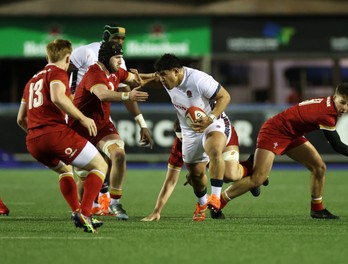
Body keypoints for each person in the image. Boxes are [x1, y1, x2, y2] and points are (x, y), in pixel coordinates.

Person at [214, 83, 348, 219]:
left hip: (292, 134)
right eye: (342, 102)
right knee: (257, 179)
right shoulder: (327, 114)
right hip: (275, 131)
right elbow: (336, 145)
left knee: (319, 167)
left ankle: (317, 208)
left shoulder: (329, 104)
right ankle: (218, 203)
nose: (345, 108)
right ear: (334, 97)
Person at [16, 39, 108, 233]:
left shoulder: (31, 81)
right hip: (55, 134)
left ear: (47, 56)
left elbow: (21, 119)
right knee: (100, 166)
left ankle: (76, 211)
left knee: (65, 170)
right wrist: (82, 118)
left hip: (33, 141)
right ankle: (85, 213)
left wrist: (38, 135)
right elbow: (58, 97)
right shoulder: (58, 73)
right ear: (67, 58)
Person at [152, 53, 254, 221]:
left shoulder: (198, 79)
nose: (160, 78)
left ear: (176, 71)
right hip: (191, 130)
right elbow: (170, 180)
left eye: (163, 74)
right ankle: (202, 204)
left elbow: (225, 96)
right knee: (196, 175)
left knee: (226, 169)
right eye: (159, 75)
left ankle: (216, 196)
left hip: (213, 121)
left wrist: (210, 118)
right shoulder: (167, 82)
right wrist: (157, 210)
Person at [69, 24, 154, 216]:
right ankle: (81, 211)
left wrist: (153, 76)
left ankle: (114, 202)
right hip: (80, 125)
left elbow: (134, 80)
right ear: (107, 58)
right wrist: (127, 96)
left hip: (102, 124)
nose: (121, 61)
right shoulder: (93, 72)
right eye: (118, 58)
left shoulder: (117, 70)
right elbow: (103, 95)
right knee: (85, 176)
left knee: (119, 154)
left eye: (121, 57)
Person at [141, 119, 257, 222]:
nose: (184, 141)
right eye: (181, 139)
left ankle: (250, 167)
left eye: (186, 138)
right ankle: (205, 204)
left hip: (222, 137)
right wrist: (157, 210)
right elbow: (171, 180)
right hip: (207, 151)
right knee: (193, 176)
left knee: (230, 175)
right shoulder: (179, 145)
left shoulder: (208, 131)